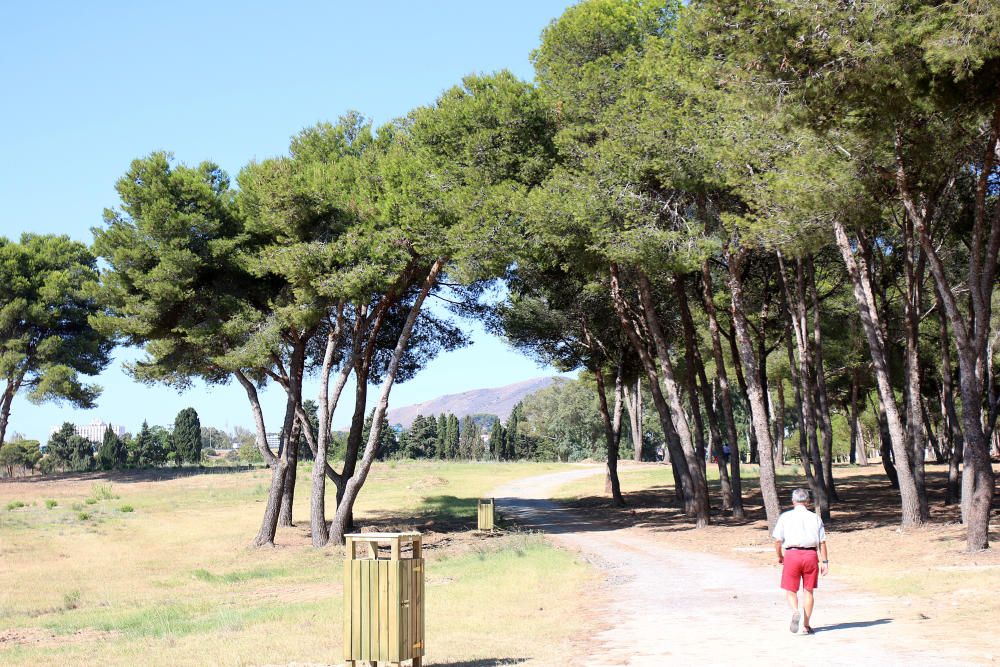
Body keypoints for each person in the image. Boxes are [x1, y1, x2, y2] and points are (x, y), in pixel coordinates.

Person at [772, 488, 829, 635]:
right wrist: (825, 562)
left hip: (792, 554)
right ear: (808, 502)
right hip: (810, 555)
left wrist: (779, 556)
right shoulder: (815, 518)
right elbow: (822, 542)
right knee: (808, 590)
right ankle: (806, 625)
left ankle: (795, 611)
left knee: (791, 590)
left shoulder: (785, 517)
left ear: (793, 501)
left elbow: (778, 541)